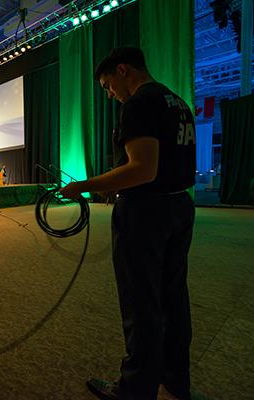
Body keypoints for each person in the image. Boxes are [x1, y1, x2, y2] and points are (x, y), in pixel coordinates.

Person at [59, 47, 196, 400]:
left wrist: (83, 187)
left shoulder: (137, 104)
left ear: (123, 71)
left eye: (108, 85)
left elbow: (142, 169)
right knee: (173, 297)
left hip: (146, 215)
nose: (109, 94)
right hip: (179, 207)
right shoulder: (176, 101)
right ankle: (176, 378)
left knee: (141, 304)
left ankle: (135, 390)